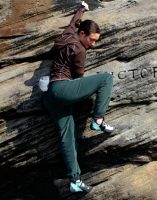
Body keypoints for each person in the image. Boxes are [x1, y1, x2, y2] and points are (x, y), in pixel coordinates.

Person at [43, 1, 114, 193]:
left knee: (68, 138)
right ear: (83, 34)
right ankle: (98, 120)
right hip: (64, 89)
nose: (93, 44)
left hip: (51, 94)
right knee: (106, 78)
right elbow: (79, 77)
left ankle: (75, 180)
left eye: (95, 41)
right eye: (92, 39)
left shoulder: (66, 36)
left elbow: (74, 22)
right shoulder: (80, 50)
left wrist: (82, 9)